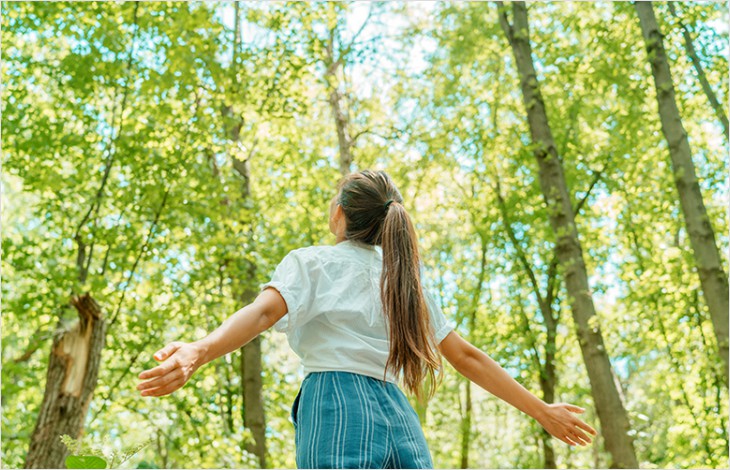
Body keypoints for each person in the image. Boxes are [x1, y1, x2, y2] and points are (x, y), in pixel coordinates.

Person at [137, 169, 598, 469]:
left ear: (339, 214)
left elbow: (261, 314)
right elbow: (467, 357)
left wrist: (198, 350)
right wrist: (542, 410)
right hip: (398, 413)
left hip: (336, 400)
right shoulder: (407, 283)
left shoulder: (314, 262)